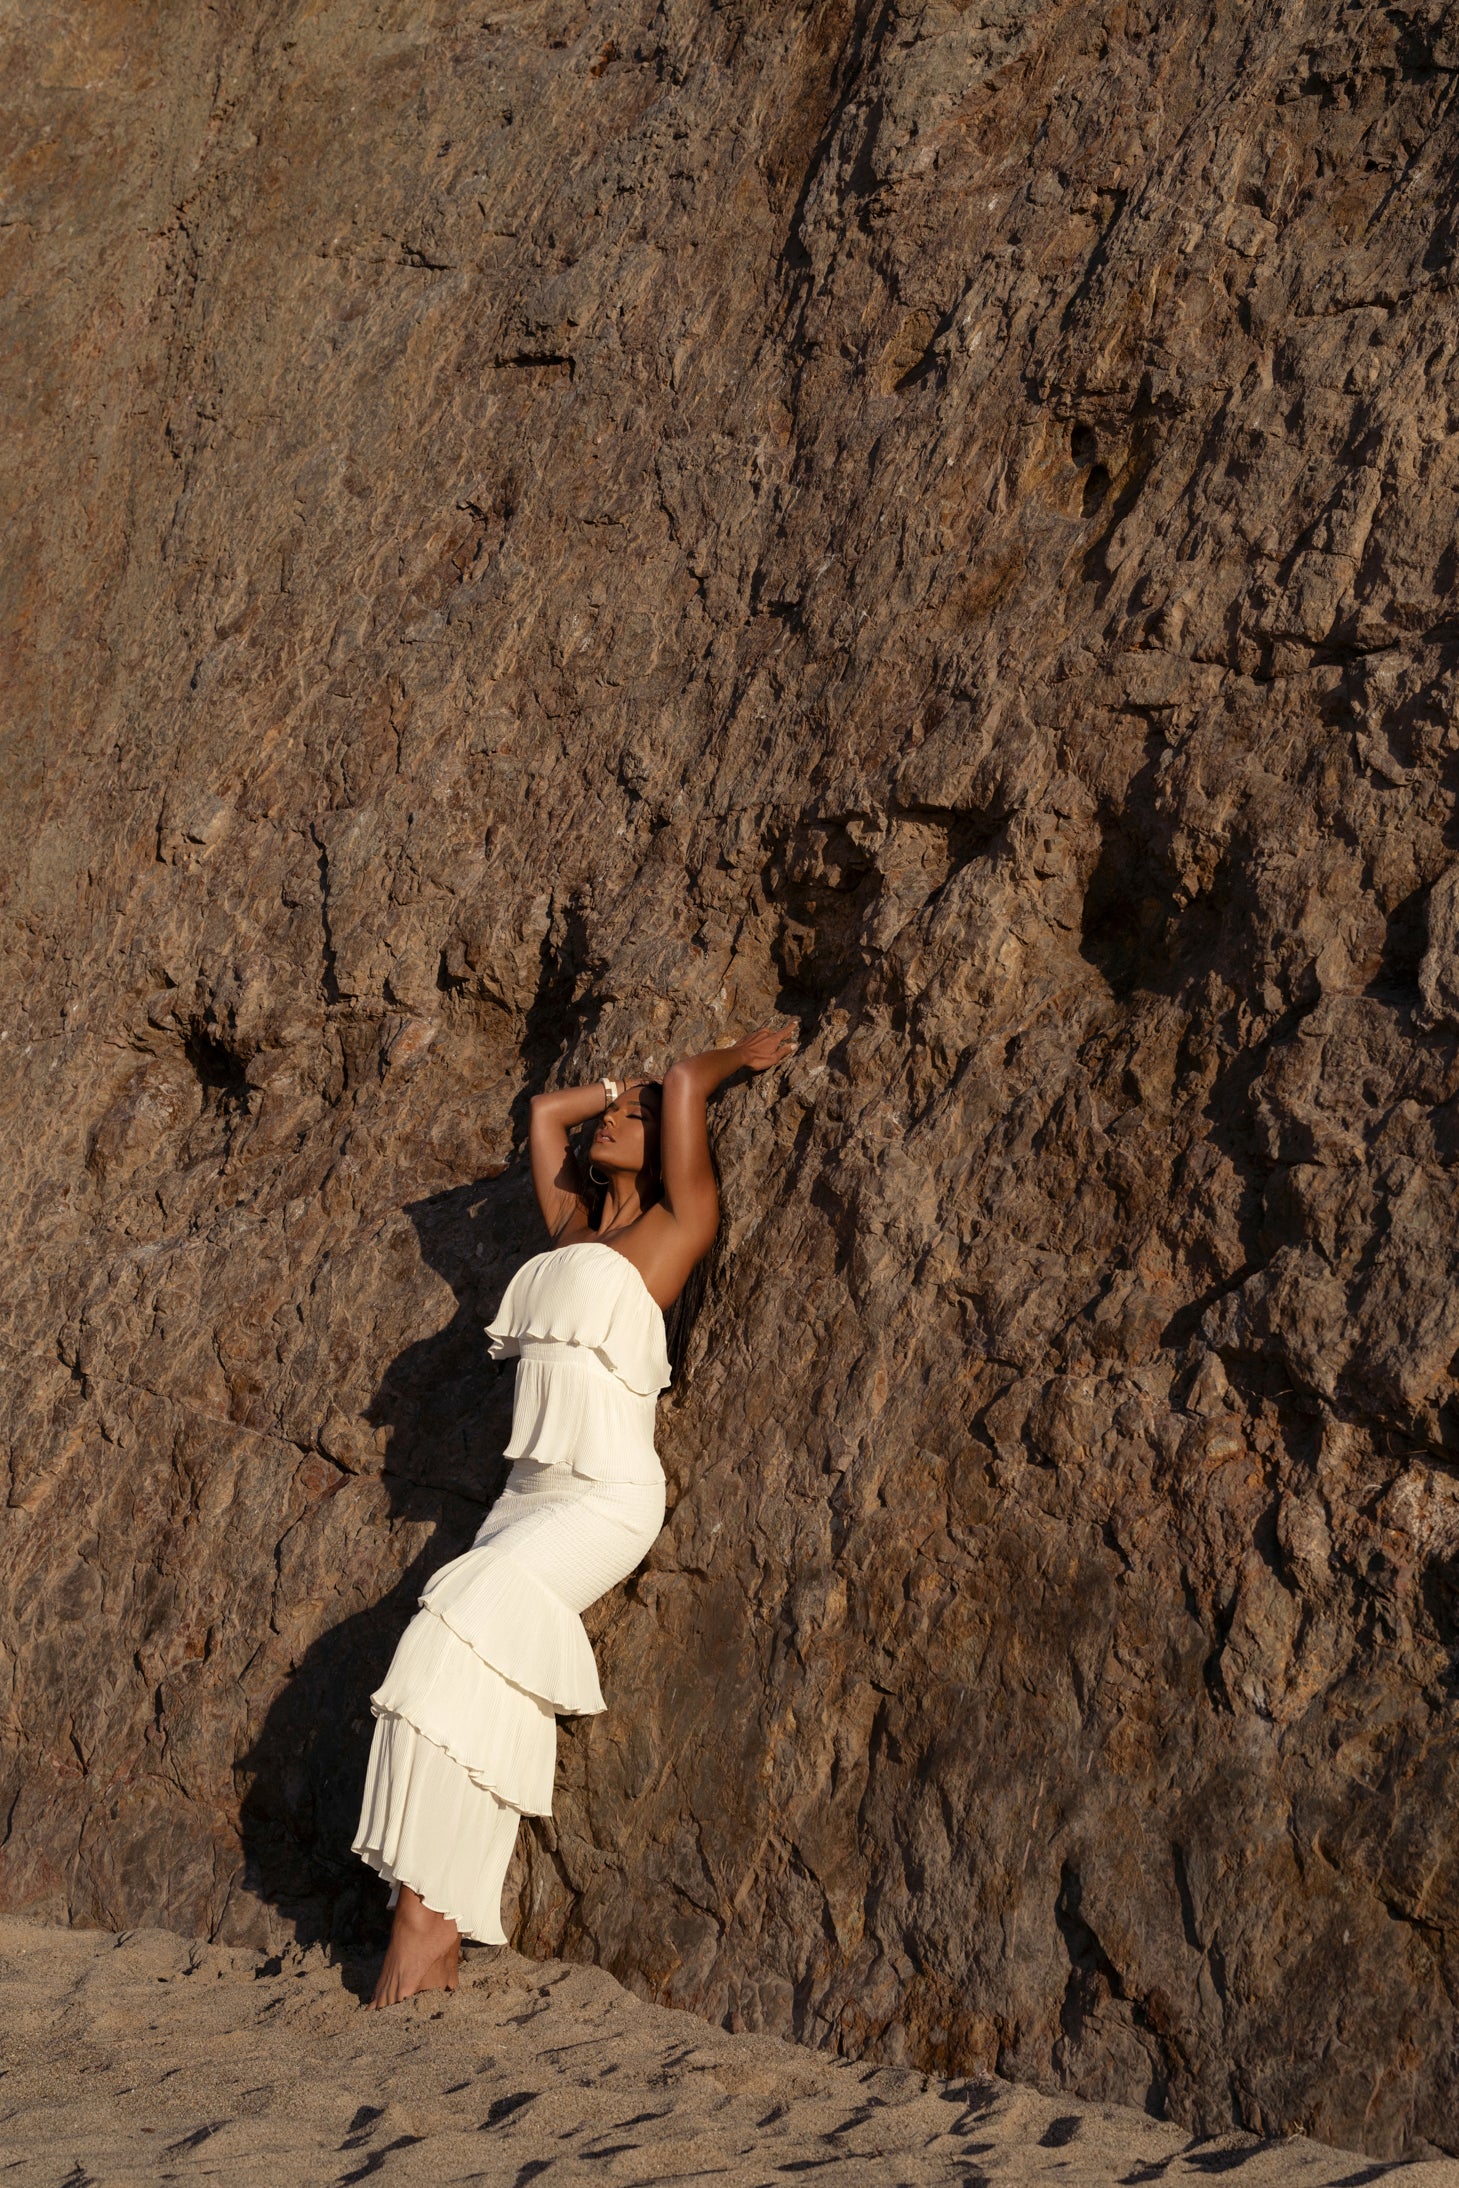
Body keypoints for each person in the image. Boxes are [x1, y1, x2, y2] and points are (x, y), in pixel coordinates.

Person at [353, 1022, 798, 2005]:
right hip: (524, 1499)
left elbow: (684, 1080)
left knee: (435, 1646)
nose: (621, 1117)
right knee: (472, 1689)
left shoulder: (677, 1227)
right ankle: (435, 1936)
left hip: (603, 1496)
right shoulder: (572, 1233)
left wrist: (715, 1067)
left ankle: (421, 1926)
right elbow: (544, 1114)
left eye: (642, 1117)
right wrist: (607, 1092)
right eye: (623, 1109)